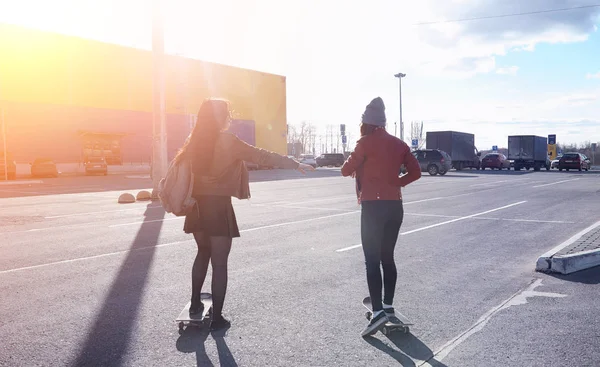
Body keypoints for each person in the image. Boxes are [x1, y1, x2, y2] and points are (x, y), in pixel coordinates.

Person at [175, 98, 315, 331]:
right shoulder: (228, 141)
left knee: (202, 253)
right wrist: (293, 163)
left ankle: (195, 304)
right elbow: (261, 155)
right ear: (221, 117)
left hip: (196, 207)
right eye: (226, 114)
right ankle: (217, 318)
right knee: (220, 264)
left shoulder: (193, 141)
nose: (228, 118)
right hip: (218, 207)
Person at [341, 97, 421, 337]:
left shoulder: (364, 143)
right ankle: (387, 305)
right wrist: (397, 182)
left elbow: (346, 170)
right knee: (388, 258)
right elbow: (416, 172)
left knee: (371, 260)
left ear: (366, 123)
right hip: (395, 207)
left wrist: (355, 160)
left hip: (372, 208)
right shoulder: (399, 144)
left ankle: (377, 313)